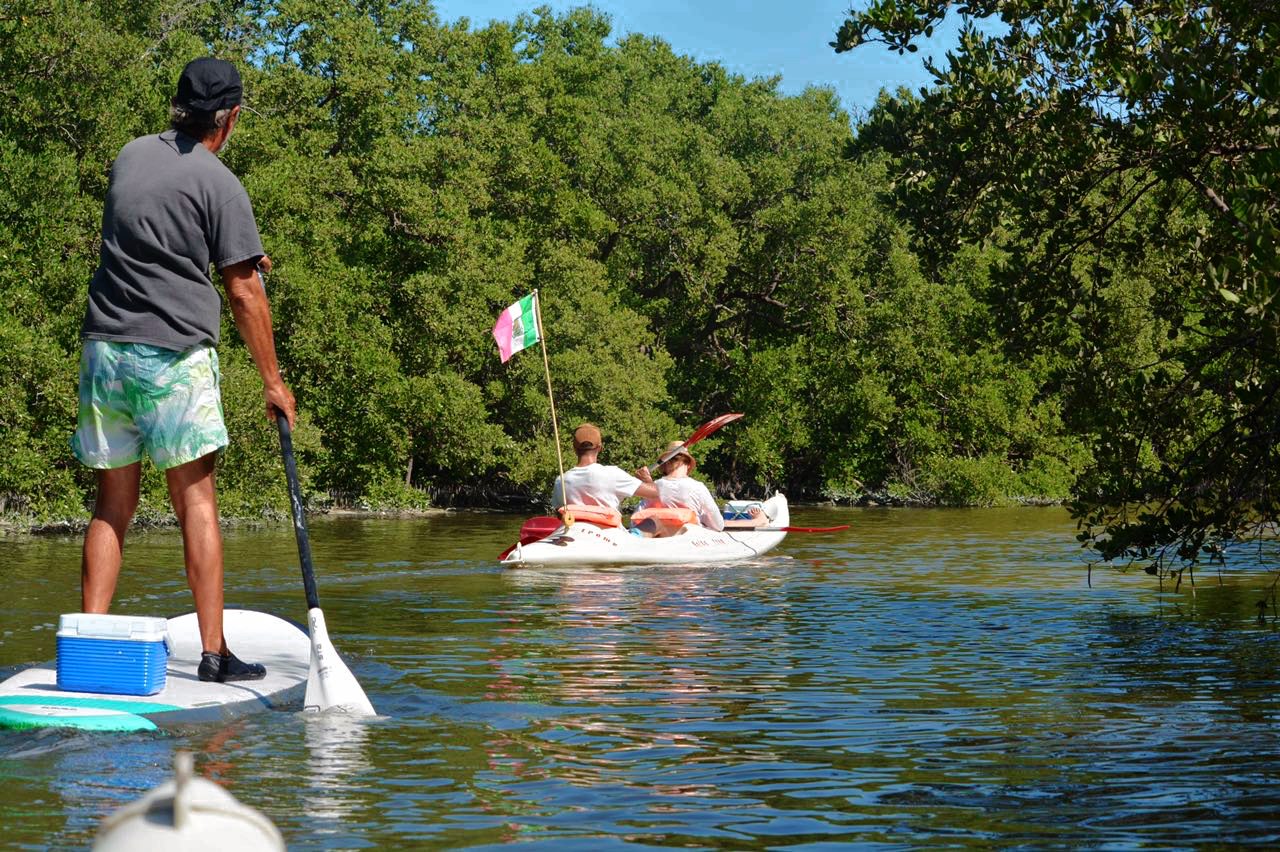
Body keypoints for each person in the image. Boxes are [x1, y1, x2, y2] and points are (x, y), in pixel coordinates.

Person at [71, 57, 295, 684]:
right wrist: (273, 383)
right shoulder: (220, 183)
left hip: (105, 351)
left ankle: (89, 645)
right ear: (232, 117)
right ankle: (215, 654)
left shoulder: (130, 155)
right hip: (171, 356)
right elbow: (245, 292)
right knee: (195, 499)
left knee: (113, 501)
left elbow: (155, 232)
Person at [551, 424, 659, 513]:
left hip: (574, 533)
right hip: (609, 536)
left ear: (574, 448)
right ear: (600, 447)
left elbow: (560, 514)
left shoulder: (560, 480)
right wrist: (646, 478)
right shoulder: (613, 473)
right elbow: (655, 494)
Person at [635, 441, 725, 532]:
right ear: (689, 465)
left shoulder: (652, 487)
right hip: (690, 538)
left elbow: (635, 521)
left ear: (666, 464)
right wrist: (703, 517)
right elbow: (718, 525)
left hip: (659, 538)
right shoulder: (698, 487)